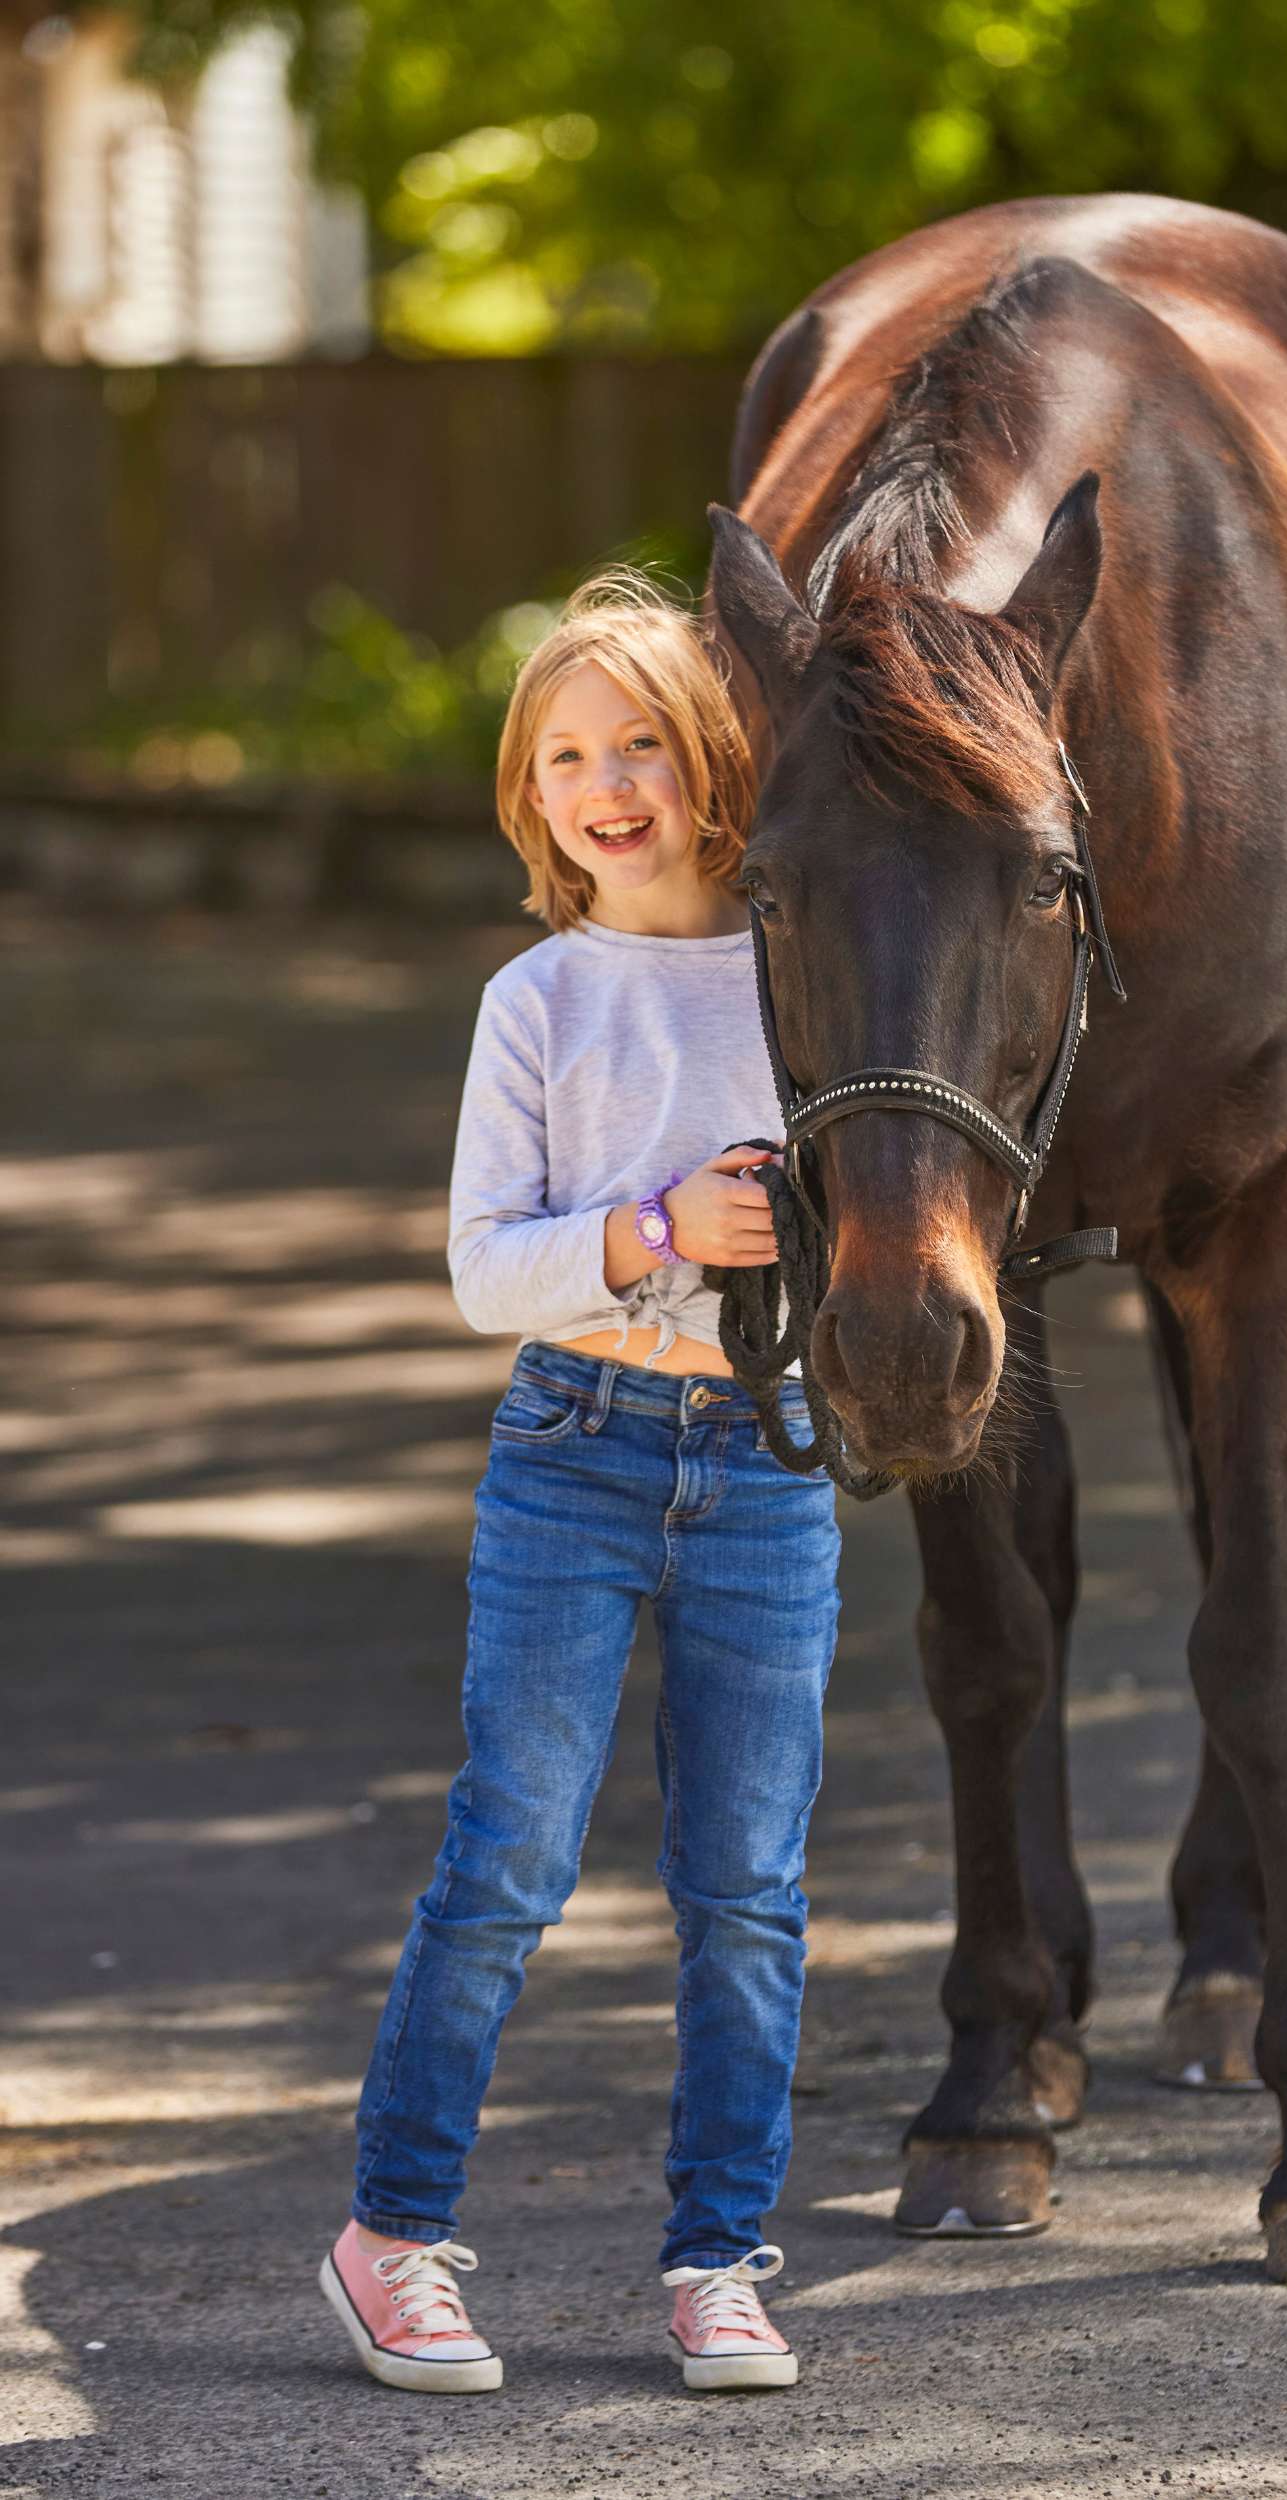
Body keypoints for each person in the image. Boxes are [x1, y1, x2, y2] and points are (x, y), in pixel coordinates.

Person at [317, 568, 838, 2397]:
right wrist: (652, 1227)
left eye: (639, 745)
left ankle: (717, 2262)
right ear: (531, 802)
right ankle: (393, 2237)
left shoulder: (809, 980)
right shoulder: (537, 999)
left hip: (770, 1466)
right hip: (576, 1450)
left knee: (747, 1888)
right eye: (563, 758)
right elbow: (483, 1272)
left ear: (711, 764)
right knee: (514, 1851)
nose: (605, 784)